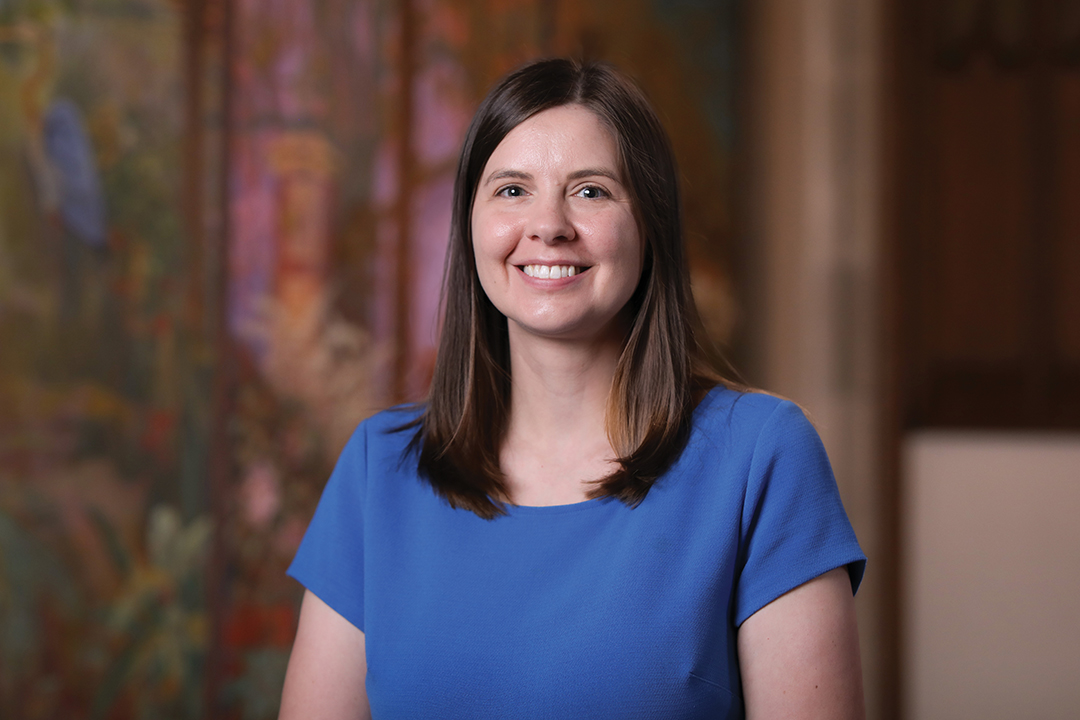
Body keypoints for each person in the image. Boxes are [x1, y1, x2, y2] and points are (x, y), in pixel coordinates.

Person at [279, 58, 866, 720]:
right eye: (511, 190)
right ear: (470, 226)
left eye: (591, 191)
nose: (549, 224)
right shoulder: (377, 469)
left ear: (649, 225)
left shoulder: (763, 457)